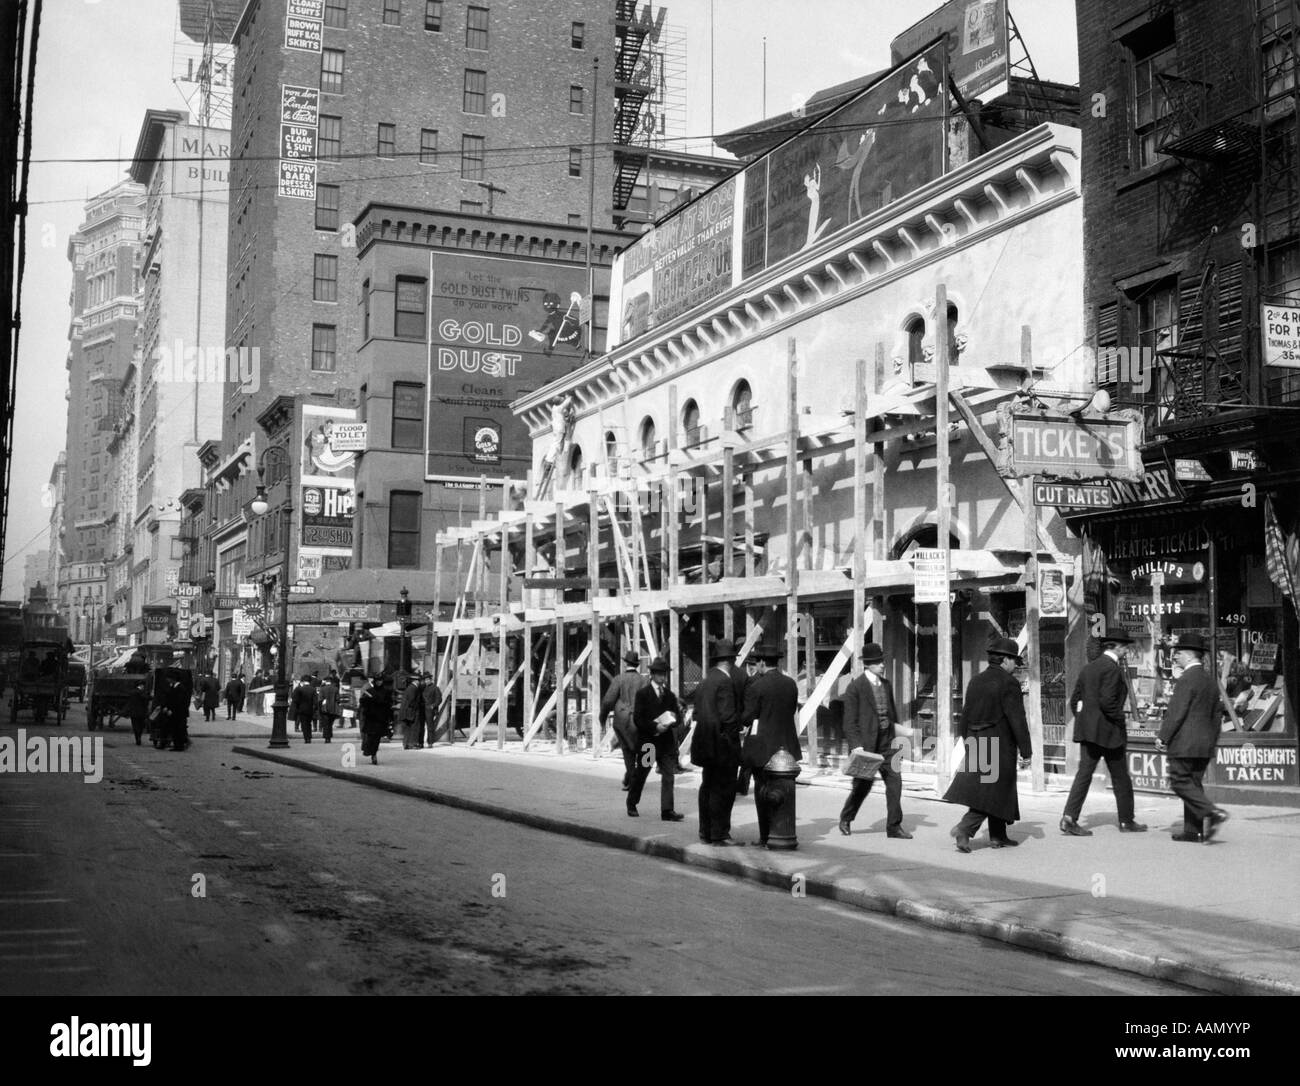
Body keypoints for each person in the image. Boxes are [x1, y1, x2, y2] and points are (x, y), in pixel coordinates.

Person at [944, 638, 1032, 852]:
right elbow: (1017, 719)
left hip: (976, 739)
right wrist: (1026, 750)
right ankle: (965, 828)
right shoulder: (1009, 683)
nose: (1016, 666)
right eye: (1014, 660)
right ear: (1004, 660)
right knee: (993, 791)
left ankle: (998, 835)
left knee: (992, 789)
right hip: (999, 743)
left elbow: (965, 715)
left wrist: (966, 742)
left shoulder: (976, 680)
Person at [1060, 628, 1147, 836]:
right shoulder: (1112, 669)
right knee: (1120, 778)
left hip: (1088, 732)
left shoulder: (1089, 668)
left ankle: (1069, 817)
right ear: (1116, 647)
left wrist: (1086, 720)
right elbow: (1109, 703)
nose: (1126, 650)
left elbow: (1075, 701)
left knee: (1084, 775)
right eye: (1125, 646)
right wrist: (1120, 720)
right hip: (1109, 733)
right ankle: (1126, 821)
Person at [1158, 633, 1229, 843]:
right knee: (1194, 784)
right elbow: (1217, 715)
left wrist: (1163, 737)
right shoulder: (1209, 681)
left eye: (1178, 653)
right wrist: (1211, 740)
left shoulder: (1186, 679)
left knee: (1179, 782)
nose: (1175, 657)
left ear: (1188, 656)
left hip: (1185, 743)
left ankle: (1212, 812)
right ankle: (1193, 831)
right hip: (1204, 744)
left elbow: (1176, 712)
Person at [838, 643, 911, 839]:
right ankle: (846, 817)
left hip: (887, 744)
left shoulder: (886, 685)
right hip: (867, 746)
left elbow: (892, 714)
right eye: (878, 662)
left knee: (895, 783)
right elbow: (849, 722)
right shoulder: (855, 688)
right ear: (868, 665)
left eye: (882, 661)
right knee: (862, 786)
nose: (882, 665)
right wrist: (857, 747)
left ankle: (894, 826)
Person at [741, 647, 803, 847]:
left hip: (764, 748)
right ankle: (783, 830)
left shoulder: (757, 686)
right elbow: (791, 710)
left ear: (761, 663)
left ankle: (766, 835)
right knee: (784, 791)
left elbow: (748, 716)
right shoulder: (791, 684)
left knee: (763, 791)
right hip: (787, 746)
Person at [689, 639, 746, 845]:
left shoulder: (705, 681)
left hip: (705, 744)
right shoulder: (725, 682)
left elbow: (697, 713)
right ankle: (720, 833)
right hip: (723, 746)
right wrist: (738, 730)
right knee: (724, 790)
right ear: (730, 661)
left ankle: (706, 831)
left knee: (707, 787)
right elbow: (729, 718)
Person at [627, 657, 684, 821]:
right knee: (642, 773)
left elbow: (678, 718)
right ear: (652, 675)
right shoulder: (643, 694)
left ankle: (667, 811)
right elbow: (638, 719)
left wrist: (673, 719)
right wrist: (654, 727)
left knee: (668, 776)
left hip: (666, 743)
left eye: (664, 674)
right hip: (649, 743)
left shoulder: (670, 695)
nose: (662, 678)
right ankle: (632, 802)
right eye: (659, 674)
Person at [600, 650, 647, 791]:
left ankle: (632, 781)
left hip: (622, 721)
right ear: (637, 665)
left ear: (626, 663)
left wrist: (602, 718)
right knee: (639, 750)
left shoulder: (618, 679)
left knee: (628, 751)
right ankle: (631, 778)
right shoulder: (644, 681)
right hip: (639, 721)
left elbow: (608, 701)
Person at [359, 676, 389, 765]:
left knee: (377, 739)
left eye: (381, 681)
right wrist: (369, 701)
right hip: (371, 718)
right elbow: (363, 702)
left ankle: (373, 754)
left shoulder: (385, 692)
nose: (379, 683)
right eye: (378, 681)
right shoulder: (369, 691)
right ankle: (370, 752)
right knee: (371, 737)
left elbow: (388, 704)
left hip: (380, 719)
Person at [399, 672, 424, 749]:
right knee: (413, 728)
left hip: (408, 712)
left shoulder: (410, 687)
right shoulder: (413, 688)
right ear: (416, 681)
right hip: (411, 712)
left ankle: (406, 744)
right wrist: (416, 708)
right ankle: (411, 744)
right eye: (419, 681)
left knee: (408, 729)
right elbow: (411, 701)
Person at [291, 673, 318, 743]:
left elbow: (295, 699)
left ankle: (306, 738)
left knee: (303, 724)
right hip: (310, 709)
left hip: (301, 709)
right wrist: (314, 708)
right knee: (309, 723)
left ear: (303, 681)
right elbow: (315, 701)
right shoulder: (313, 689)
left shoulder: (299, 689)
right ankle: (309, 737)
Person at [126, 678, 150, 747]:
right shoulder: (141, 692)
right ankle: (139, 737)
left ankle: (137, 738)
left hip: (133, 712)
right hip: (141, 712)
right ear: (141, 685)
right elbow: (146, 698)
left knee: (135, 726)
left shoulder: (132, 692)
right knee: (141, 726)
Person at [317, 672, 340, 743]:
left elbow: (320, 699)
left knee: (325, 724)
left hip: (325, 708)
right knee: (330, 724)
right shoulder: (335, 689)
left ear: (326, 681)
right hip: (333, 708)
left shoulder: (322, 689)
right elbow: (338, 699)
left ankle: (326, 738)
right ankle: (329, 737)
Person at [422, 672, 443, 745]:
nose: (426, 681)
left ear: (431, 680)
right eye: (425, 680)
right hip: (423, 709)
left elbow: (439, 699)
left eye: (428, 679)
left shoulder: (435, 688)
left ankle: (430, 742)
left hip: (430, 710)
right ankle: (420, 742)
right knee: (421, 726)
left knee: (430, 727)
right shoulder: (423, 688)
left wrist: (433, 706)